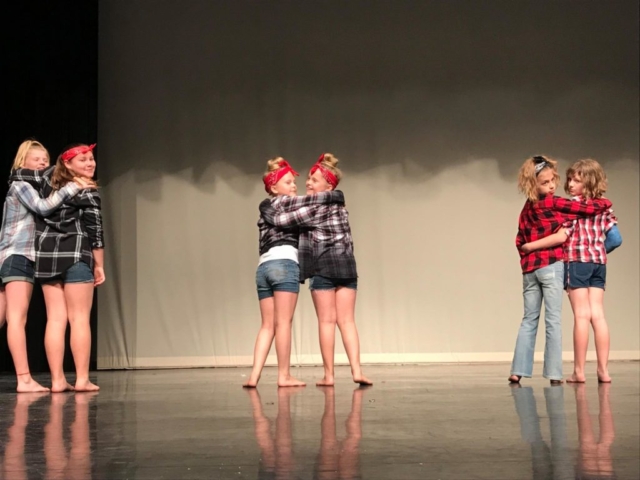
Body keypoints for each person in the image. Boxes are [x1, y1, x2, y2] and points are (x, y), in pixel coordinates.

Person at [509, 155, 612, 385]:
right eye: (545, 182)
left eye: (553, 180)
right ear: (533, 184)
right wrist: (605, 203)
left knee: (529, 319)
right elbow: (585, 208)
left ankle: (518, 370)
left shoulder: (526, 209)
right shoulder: (553, 203)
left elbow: (519, 240)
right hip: (552, 265)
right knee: (554, 320)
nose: (552, 186)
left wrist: (527, 254)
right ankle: (554, 373)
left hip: (530, 271)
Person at [11, 143, 104, 392]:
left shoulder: (43, 184)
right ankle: (81, 379)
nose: (90, 163)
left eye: (91, 159)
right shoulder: (86, 191)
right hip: (76, 255)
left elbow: (17, 173)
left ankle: (57, 380)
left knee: (55, 319)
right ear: (68, 163)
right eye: (83, 160)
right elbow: (96, 232)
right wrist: (99, 265)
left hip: (46, 258)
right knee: (79, 318)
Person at [244, 157, 344, 388]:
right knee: (283, 323)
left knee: (267, 325)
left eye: (294, 183)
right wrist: (335, 195)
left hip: (263, 268)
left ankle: (254, 376)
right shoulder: (291, 204)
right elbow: (319, 201)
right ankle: (284, 375)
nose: (294, 186)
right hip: (285, 264)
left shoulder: (267, 206)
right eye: (288, 182)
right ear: (273, 187)